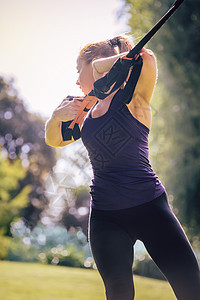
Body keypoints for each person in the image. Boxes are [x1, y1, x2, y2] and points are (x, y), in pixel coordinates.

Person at [45, 35, 200, 300]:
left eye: (78, 69)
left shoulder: (133, 97)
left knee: (191, 287)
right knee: (118, 293)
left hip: (150, 207)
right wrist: (54, 117)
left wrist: (96, 68)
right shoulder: (85, 110)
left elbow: (147, 57)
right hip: (107, 218)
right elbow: (54, 139)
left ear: (96, 64)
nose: (76, 79)